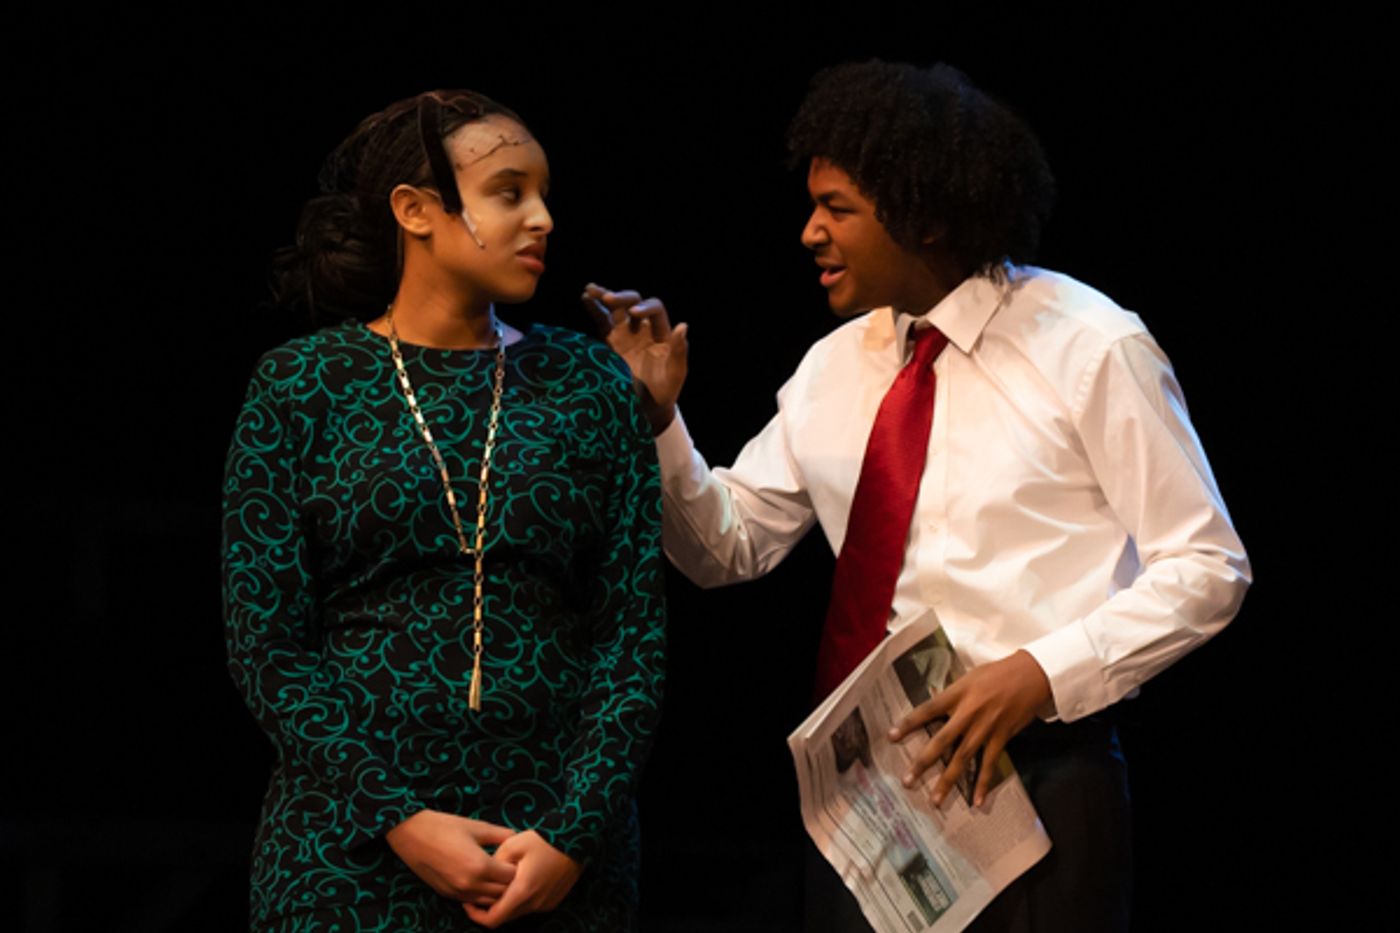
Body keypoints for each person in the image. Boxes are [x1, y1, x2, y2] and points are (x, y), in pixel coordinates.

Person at [587, 61, 1249, 932]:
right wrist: (661, 420)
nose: (810, 233)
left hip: (1038, 772)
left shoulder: (1090, 344)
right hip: (876, 790)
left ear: (925, 211)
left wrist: (1040, 672)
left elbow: (1208, 566)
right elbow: (725, 547)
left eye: (838, 209)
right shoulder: (835, 368)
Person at [222, 89, 664, 932]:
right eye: (508, 192)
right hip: (348, 849)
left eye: (543, 194)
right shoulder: (302, 386)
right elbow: (268, 645)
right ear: (417, 211)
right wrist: (399, 818)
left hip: (556, 856)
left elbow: (631, 637)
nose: (541, 218)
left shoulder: (588, 383)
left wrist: (573, 834)